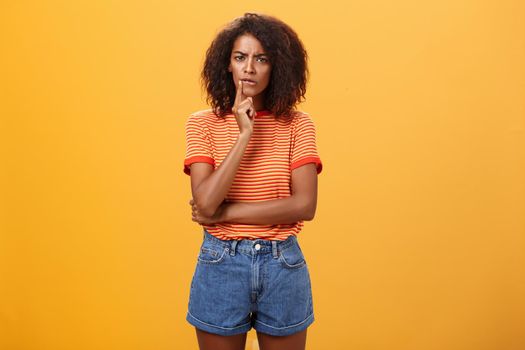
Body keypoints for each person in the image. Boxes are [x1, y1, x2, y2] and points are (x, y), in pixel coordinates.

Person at [183, 12, 323, 350]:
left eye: (261, 59)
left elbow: (304, 205)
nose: (249, 67)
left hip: (282, 265)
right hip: (221, 264)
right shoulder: (201, 124)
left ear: (276, 68)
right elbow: (204, 202)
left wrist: (224, 214)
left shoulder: (298, 125)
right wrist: (245, 134)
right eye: (240, 57)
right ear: (227, 64)